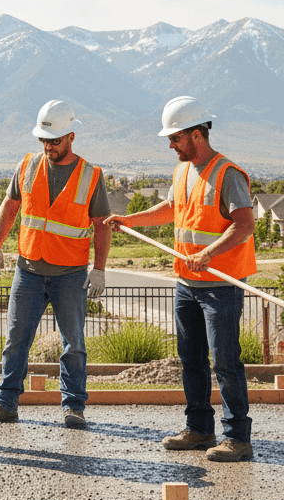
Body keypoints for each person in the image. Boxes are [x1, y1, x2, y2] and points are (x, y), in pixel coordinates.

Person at [105, 96, 256, 462]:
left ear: (196, 135)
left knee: (225, 361)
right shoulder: (183, 171)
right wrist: (129, 220)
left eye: (175, 138)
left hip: (221, 286)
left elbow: (245, 224)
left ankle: (237, 437)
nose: (171, 145)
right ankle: (200, 429)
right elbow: (171, 210)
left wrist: (209, 254)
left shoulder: (228, 174)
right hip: (186, 284)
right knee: (191, 359)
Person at [0, 100, 111, 428]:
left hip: (70, 274)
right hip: (28, 271)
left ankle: (74, 407)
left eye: (55, 141)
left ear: (71, 136)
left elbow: (101, 225)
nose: (48, 146)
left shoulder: (91, 175)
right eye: (44, 140)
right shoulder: (27, 165)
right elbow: (10, 206)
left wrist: (99, 268)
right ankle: (5, 403)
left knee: (73, 345)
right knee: (15, 341)